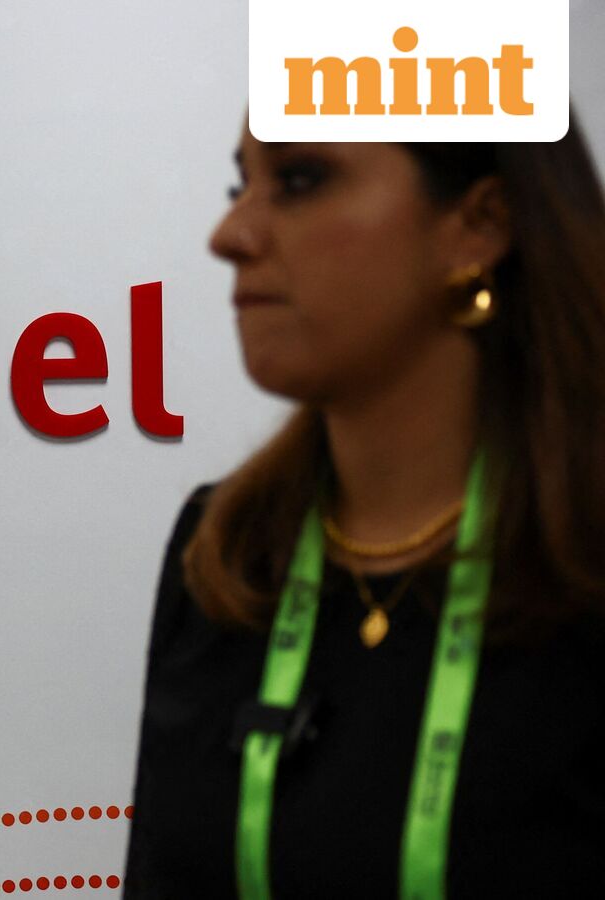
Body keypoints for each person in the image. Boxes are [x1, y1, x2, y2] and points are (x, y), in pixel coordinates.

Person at [123, 110, 605, 899]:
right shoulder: (226, 553)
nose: (230, 234)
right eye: (242, 185)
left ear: (479, 225)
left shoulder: (582, 561)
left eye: (300, 179)